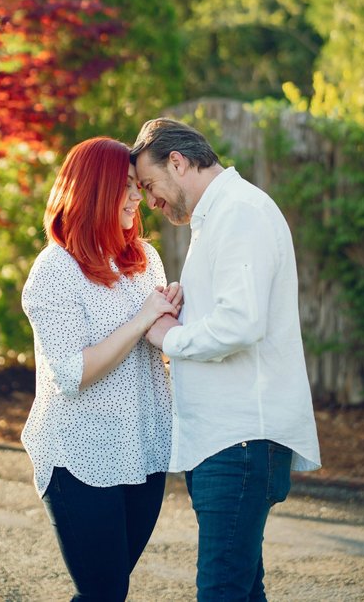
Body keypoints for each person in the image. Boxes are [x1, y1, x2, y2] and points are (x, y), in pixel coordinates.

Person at [130, 117, 321, 602]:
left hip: (239, 439)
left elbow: (241, 323)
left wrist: (171, 336)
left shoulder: (240, 211)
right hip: (225, 438)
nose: (151, 202)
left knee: (221, 590)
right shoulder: (219, 215)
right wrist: (182, 306)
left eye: (150, 185)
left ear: (178, 161)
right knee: (240, 588)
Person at [21, 136, 181, 602]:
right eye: (127, 186)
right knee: (104, 591)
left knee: (108, 591)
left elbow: (157, 340)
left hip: (144, 451)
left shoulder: (144, 259)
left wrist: (173, 319)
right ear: (93, 191)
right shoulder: (54, 271)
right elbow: (74, 373)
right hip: (79, 458)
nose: (139, 197)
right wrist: (144, 318)